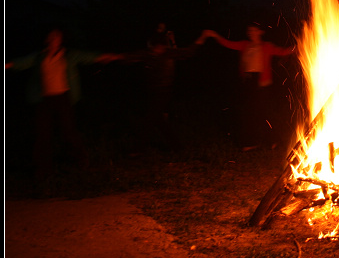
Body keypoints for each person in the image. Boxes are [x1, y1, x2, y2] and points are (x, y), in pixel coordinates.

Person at [5, 27, 122, 184]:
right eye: (52, 37)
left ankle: (81, 161)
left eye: (57, 37)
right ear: (48, 40)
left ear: (60, 41)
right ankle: (43, 169)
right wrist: (7, 65)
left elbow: (88, 57)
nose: (55, 40)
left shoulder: (68, 55)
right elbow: (21, 62)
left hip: (63, 98)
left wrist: (110, 57)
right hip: (44, 100)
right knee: (42, 134)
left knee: (68, 130)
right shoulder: (40, 57)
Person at [203, 24, 296, 150]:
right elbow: (228, 43)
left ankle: (274, 140)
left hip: (262, 82)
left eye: (254, 30)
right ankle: (251, 142)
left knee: (264, 112)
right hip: (248, 81)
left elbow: (283, 52)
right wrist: (214, 35)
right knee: (248, 112)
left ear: (260, 32)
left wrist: (298, 47)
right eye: (249, 30)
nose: (251, 32)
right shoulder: (244, 45)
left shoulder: (266, 46)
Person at [122, 29, 210, 152]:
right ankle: (177, 148)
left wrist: (203, 37)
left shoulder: (169, 53)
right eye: (156, 48)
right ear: (152, 46)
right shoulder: (148, 54)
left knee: (149, 120)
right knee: (159, 121)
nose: (159, 50)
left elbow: (189, 51)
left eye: (161, 47)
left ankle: (138, 148)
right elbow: (130, 57)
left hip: (164, 91)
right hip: (151, 91)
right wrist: (112, 57)